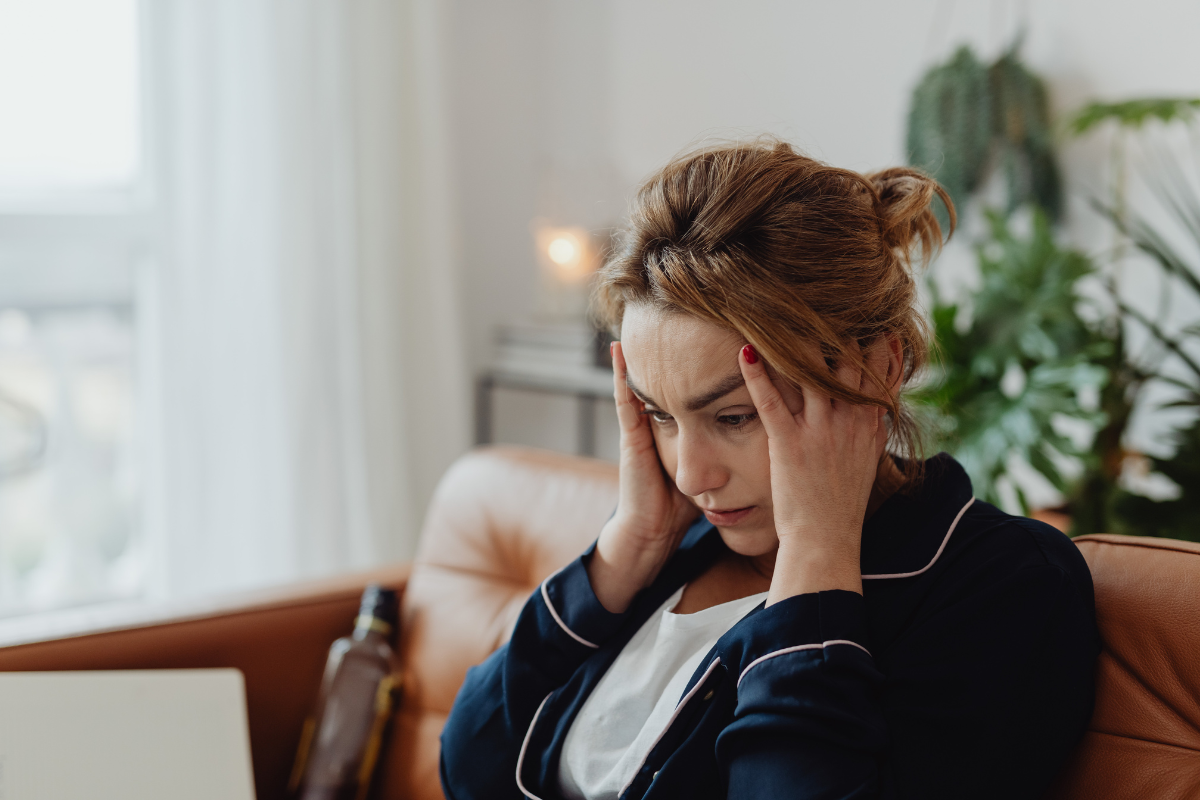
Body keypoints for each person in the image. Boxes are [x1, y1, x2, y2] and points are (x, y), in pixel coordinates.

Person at [439, 139, 1099, 800]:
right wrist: (624, 551)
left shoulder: (1002, 585)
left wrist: (818, 557)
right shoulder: (676, 548)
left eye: (732, 417)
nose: (692, 475)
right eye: (658, 415)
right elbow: (468, 766)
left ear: (880, 369)